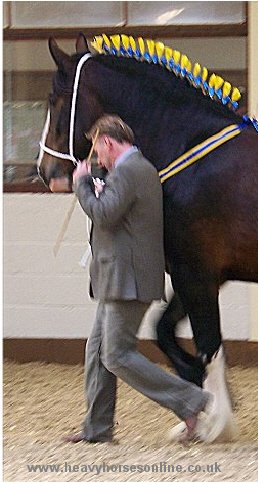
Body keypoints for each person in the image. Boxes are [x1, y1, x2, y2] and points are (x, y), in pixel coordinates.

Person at [64, 115, 215, 444]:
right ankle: (97, 428)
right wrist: (96, 180)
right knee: (98, 351)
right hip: (117, 276)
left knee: (116, 355)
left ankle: (192, 401)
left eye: (97, 149)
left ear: (108, 142)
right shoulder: (131, 170)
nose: (96, 157)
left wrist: (82, 183)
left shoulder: (133, 170)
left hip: (127, 278)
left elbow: (104, 213)